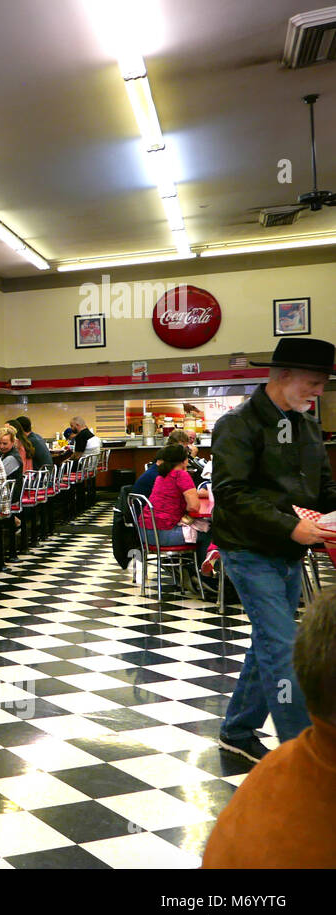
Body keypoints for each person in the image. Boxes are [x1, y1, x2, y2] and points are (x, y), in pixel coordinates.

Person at [212, 337, 336, 761]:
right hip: (248, 549)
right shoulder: (238, 424)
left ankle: (238, 728)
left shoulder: (307, 425)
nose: (319, 392)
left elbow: (323, 488)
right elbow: (231, 493)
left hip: (287, 551)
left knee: (270, 640)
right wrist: (290, 527)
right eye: (314, 382)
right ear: (283, 376)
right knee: (285, 647)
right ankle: (302, 758)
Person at [201, 587, 336, 867]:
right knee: (274, 644)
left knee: (268, 644)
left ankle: (238, 728)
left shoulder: (267, 776)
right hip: (255, 552)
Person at [136, 444, 209, 565]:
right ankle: (204, 576)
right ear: (184, 460)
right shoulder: (181, 475)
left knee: (199, 528)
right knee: (209, 532)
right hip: (164, 535)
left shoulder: (162, 475)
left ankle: (185, 573)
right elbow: (194, 507)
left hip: (145, 532)